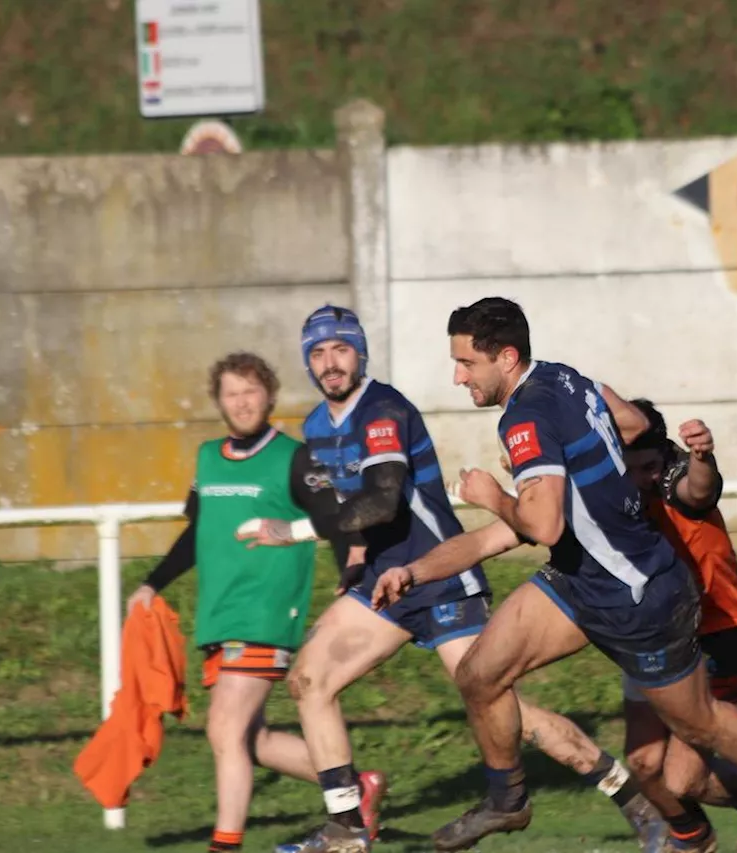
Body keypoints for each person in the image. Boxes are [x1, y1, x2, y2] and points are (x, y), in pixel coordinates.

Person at [371, 296, 737, 853]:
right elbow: (634, 424)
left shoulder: (525, 416)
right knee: (479, 674)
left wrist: (496, 495)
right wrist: (413, 571)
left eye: (467, 363)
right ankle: (506, 800)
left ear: (507, 358)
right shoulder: (568, 379)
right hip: (577, 582)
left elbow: (540, 523)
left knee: (699, 726)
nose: (457, 376)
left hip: (638, 598)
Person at [238, 306, 669, 853]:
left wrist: (293, 530)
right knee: (308, 681)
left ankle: (630, 796)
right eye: (318, 353)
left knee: (512, 712)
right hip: (385, 583)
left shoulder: (383, 409)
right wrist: (353, 567)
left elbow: (382, 499)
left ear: (361, 352)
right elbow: (349, 513)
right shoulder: (318, 426)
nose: (330, 363)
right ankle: (346, 828)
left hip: (441, 576)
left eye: (340, 349)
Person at [125, 351, 380, 853]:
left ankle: (225, 845)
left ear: (269, 395)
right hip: (219, 615)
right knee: (248, 740)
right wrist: (153, 583)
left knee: (223, 727)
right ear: (218, 402)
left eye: (250, 391)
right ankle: (355, 788)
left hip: (266, 612)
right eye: (231, 393)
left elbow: (335, 520)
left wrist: (349, 574)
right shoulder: (206, 458)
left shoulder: (296, 458)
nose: (241, 402)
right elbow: (198, 532)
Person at [619, 400, 737, 853]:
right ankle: (694, 837)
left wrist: (704, 456)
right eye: (631, 469)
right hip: (657, 634)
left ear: (665, 456)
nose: (642, 480)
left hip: (721, 630)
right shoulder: (616, 489)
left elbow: (698, 490)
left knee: (682, 776)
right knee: (644, 762)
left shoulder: (675, 479)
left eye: (649, 466)